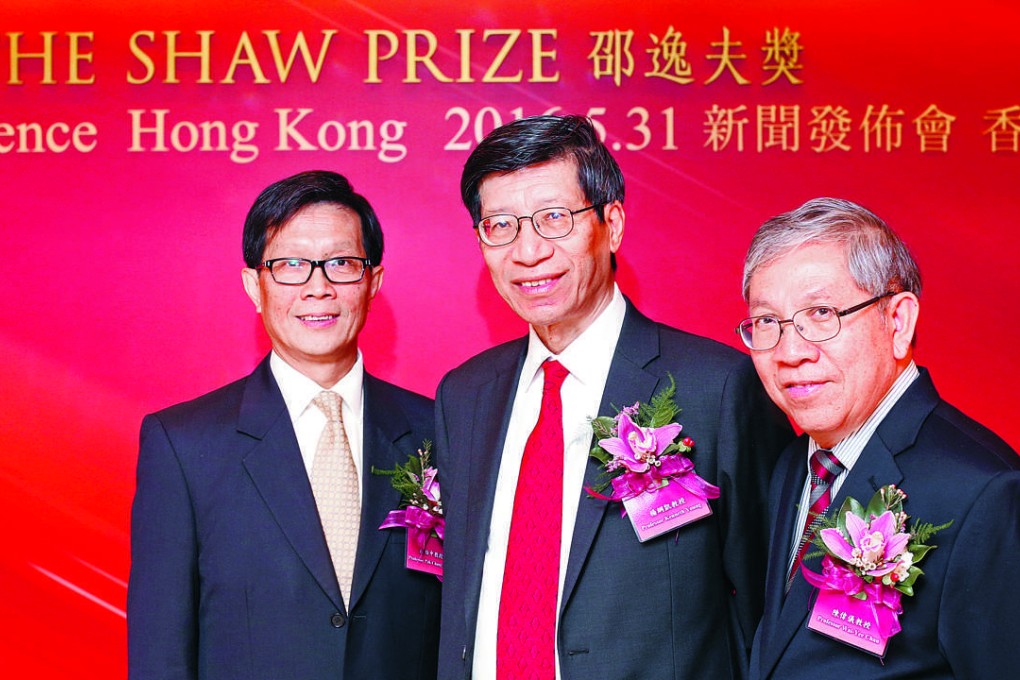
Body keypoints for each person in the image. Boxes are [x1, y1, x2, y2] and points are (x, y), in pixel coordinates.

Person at [435, 114, 793, 680]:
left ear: (612, 223)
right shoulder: (465, 396)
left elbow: (767, 606)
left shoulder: (719, 387)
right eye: (500, 225)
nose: (527, 251)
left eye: (554, 219)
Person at [128, 171, 440, 680]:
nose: (318, 288)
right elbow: (160, 651)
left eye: (342, 264)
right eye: (291, 265)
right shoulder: (184, 445)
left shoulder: (437, 432)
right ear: (255, 285)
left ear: (373, 281)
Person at [740, 197, 1020, 678]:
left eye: (822, 313)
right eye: (768, 322)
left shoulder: (985, 491)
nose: (790, 351)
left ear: (898, 322)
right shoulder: (798, 463)